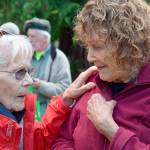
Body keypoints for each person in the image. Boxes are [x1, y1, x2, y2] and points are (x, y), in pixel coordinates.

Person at [51, 0, 150, 149]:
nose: (89, 57)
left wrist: (112, 132)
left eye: (97, 47)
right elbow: (62, 139)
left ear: (128, 45)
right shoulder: (88, 84)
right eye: (88, 46)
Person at [0, 32, 97, 150]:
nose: (29, 81)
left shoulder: (18, 115)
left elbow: (36, 142)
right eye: (19, 72)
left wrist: (63, 101)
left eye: (28, 72)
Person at [24, 17, 72, 117]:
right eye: (28, 36)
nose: (29, 40)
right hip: (24, 115)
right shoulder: (25, 55)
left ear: (45, 39)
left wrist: (40, 85)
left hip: (46, 118)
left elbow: (65, 90)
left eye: (32, 36)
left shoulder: (59, 58)